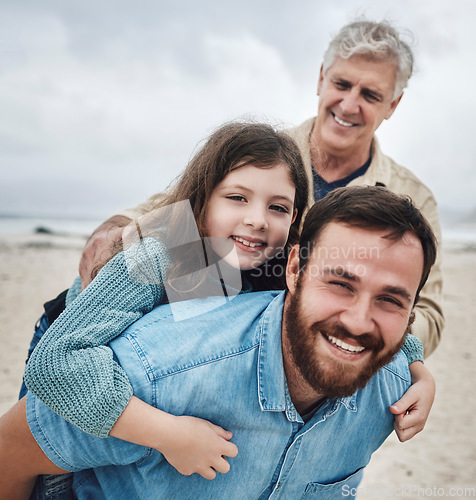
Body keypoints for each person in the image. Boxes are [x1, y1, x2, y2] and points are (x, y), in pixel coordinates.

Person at [0, 186, 438, 500]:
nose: (359, 322)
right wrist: (166, 432)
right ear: (295, 272)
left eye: (390, 299)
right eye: (340, 285)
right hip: (65, 337)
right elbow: (10, 449)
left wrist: (418, 370)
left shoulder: (390, 392)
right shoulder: (158, 365)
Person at [76, 20, 443, 357]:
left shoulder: (413, 198)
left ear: (393, 104)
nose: (349, 104)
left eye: (370, 95)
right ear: (320, 79)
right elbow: (178, 206)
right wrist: (113, 228)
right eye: (342, 84)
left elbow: (427, 312)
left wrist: (366, 342)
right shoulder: (262, 155)